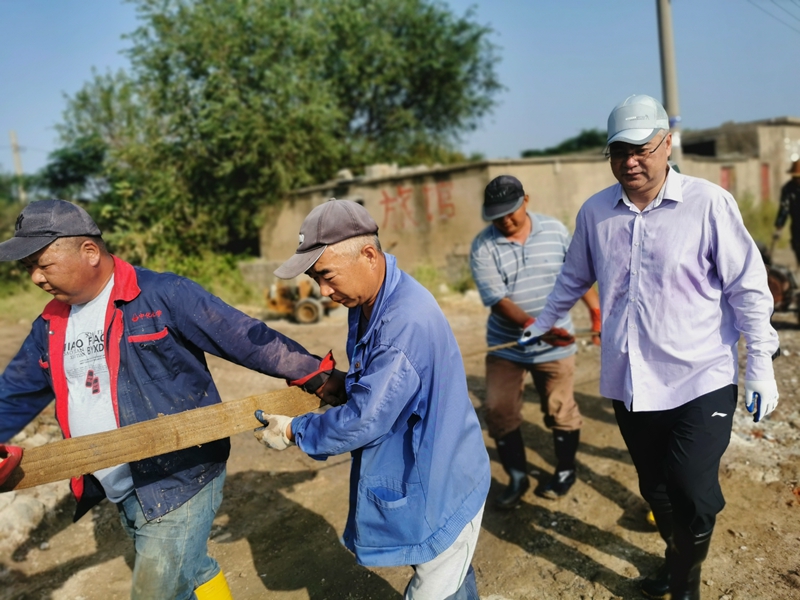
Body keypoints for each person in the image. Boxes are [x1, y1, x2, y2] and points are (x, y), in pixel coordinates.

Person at [0, 199, 345, 600]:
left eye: (43, 264)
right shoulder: (50, 324)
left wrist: (316, 375)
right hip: (117, 482)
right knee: (192, 567)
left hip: (179, 475)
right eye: (29, 268)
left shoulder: (162, 295)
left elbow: (244, 337)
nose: (36, 277)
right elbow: (12, 395)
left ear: (89, 251)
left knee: (156, 591)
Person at [519, 95, 780, 600]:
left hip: (701, 377)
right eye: (620, 151)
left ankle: (685, 581)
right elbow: (574, 276)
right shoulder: (596, 212)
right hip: (631, 379)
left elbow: (748, 288)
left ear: (667, 144)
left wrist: (760, 365)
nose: (631, 161)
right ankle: (676, 558)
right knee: (656, 488)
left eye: (642, 148)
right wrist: (544, 321)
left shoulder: (708, 204)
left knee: (692, 490)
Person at [254, 198, 490, 599]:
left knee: (436, 584)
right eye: (315, 278)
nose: (324, 291)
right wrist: (343, 383)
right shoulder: (373, 297)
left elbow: (366, 418)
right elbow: (382, 387)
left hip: (442, 483)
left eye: (327, 275)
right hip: (433, 466)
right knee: (449, 570)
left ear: (367, 255)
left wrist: (295, 431)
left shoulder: (403, 322)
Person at [469, 175, 601, 508]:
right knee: (498, 409)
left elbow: (576, 275)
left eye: (510, 212)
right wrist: (536, 326)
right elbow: (499, 301)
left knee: (560, 408)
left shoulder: (555, 230)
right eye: (497, 216)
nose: (504, 221)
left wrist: (597, 312)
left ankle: (565, 470)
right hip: (507, 345)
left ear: (525, 200)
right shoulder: (483, 246)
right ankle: (517, 477)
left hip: (557, 343)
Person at [773, 159, 800, 266]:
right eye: (795, 177)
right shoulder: (788, 189)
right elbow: (784, 209)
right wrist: (779, 227)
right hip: (797, 228)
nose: (797, 180)